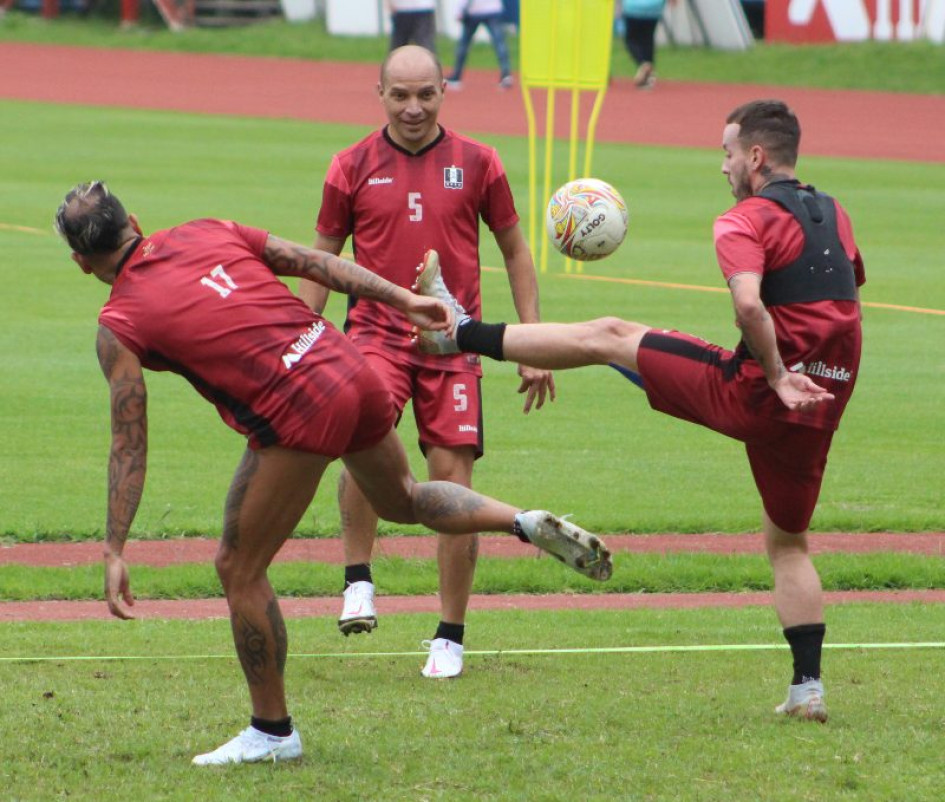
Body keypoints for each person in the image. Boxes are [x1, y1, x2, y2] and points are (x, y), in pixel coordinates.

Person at [55, 181, 610, 764]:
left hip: (296, 408)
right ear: (135, 221)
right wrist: (403, 299)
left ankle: (272, 733)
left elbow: (129, 441)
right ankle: (521, 520)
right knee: (403, 498)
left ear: (80, 262)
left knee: (238, 568)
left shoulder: (117, 322)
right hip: (346, 363)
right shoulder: (203, 229)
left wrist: (115, 546)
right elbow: (316, 261)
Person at [417, 100, 865, 722]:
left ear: (756, 157)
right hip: (823, 403)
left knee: (609, 334)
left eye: (728, 152)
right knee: (789, 542)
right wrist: (808, 378)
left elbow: (749, 307)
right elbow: (841, 302)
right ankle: (807, 689)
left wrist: (778, 376)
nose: (724, 165)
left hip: (762, 392)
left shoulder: (744, 218)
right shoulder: (834, 214)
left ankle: (457, 333)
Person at [299, 44, 554, 679]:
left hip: (455, 344)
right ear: (379, 93)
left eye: (426, 94)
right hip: (375, 336)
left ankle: (450, 636)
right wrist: (302, 339)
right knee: (363, 439)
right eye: (400, 95)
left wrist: (533, 341)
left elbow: (517, 251)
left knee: (452, 478)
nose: (413, 108)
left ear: (444, 91)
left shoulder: (479, 162)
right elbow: (321, 259)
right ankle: (358, 580)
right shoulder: (350, 165)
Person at [445, 0, 513, 90]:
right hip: (493, 10)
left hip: (475, 11)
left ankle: (456, 76)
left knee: (464, 44)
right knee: (499, 44)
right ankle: (506, 75)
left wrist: (460, 10)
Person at [620, 0, 667, 89]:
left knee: (631, 39)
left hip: (633, 7)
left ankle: (643, 63)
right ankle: (648, 76)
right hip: (654, 8)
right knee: (648, 39)